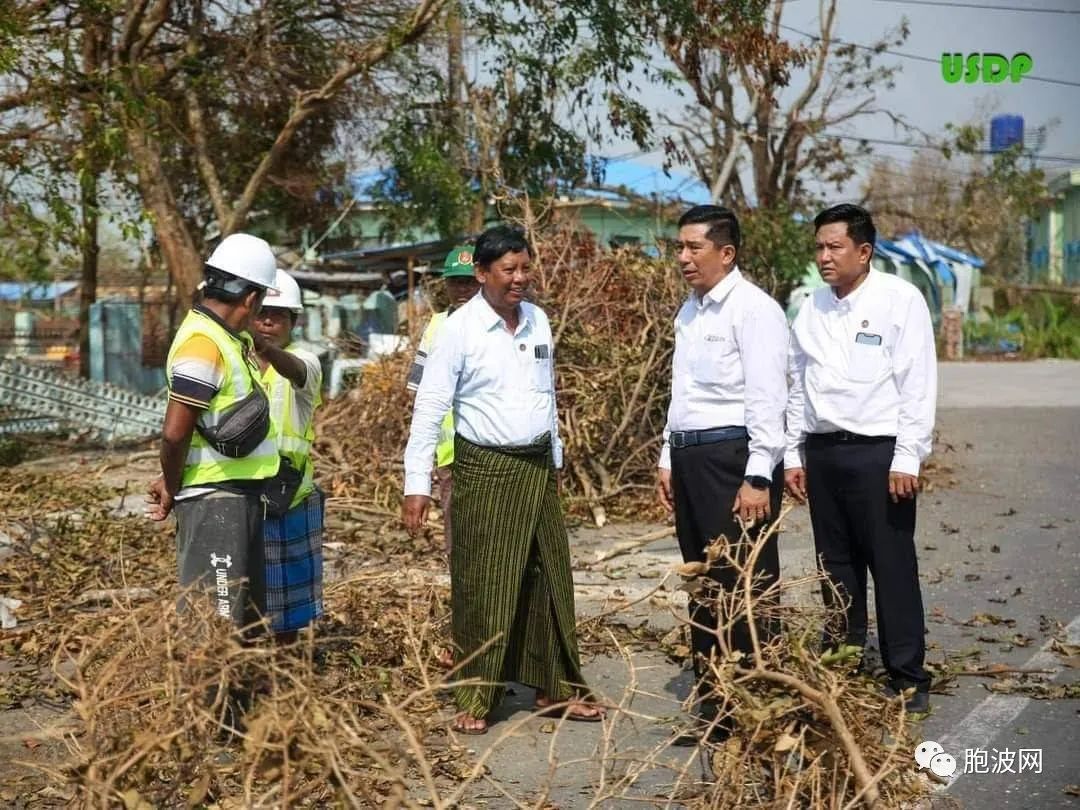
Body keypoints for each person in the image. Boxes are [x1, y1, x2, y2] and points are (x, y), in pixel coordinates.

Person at [401, 224, 603, 735]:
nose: (519, 279)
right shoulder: (457, 330)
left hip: (536, 467)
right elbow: (429, 407)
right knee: (484, 582)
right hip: (483, 470)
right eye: (508, 270)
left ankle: (554, 687)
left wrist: (554, 459)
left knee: (548, 576)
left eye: (524, 267)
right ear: (482, 273)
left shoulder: (537, 321)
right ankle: (477, 694)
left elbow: (547, 396)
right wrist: (416, 484)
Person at [784, 203, 936, 714]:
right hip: (823, 452)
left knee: (891, 565)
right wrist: (792, 453)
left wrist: (907, 457)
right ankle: (843, 662)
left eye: (835, 247)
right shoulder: (811, 306)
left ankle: (907, 675)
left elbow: (917, 383)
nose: (824, 257)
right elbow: (796, 385)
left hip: (879, 455)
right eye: (819, 247)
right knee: (837, 567)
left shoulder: (900, 300)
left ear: (864, 251)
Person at [656, 205, 789, 746]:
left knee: (745, 584)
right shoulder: (689, 312)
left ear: (726, 253)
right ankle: (716, 704)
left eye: (694, 248)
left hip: (733, 460)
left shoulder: (754, 311)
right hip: (691, 458)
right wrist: (668, 456)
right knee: (703, 582)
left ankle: (760, 704)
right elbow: (681, 394)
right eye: (680, 248)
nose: (683, 258)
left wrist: (758, 477)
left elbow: (767, 400)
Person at [147, 233, 280, 631]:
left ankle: (242, 696)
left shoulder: (225, 338)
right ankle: (209, 698)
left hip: (238, 497)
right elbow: (174, 434)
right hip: (216, 502)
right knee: (214, 632)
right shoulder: (203, 344)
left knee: (243, 628)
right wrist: (173, 483)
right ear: (251, 298)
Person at [252, 269, 325, 644]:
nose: (267, 321)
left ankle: (288, 678)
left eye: (278, 315)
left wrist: (263, 349)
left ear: (293, 321)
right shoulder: (234, 363)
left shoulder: (305, 361)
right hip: (243, 493)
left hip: (290, 496)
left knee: (290, 609)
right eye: (261, 311)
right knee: (242, 597)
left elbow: (295, 370)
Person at [406, 245, 481, 552]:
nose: (462, 289)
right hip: (452, 455)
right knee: (459, 543)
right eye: (455, 282)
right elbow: (419, 394)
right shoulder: (437, 326)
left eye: (469, 281)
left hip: (493, 451)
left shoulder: (495, 325)